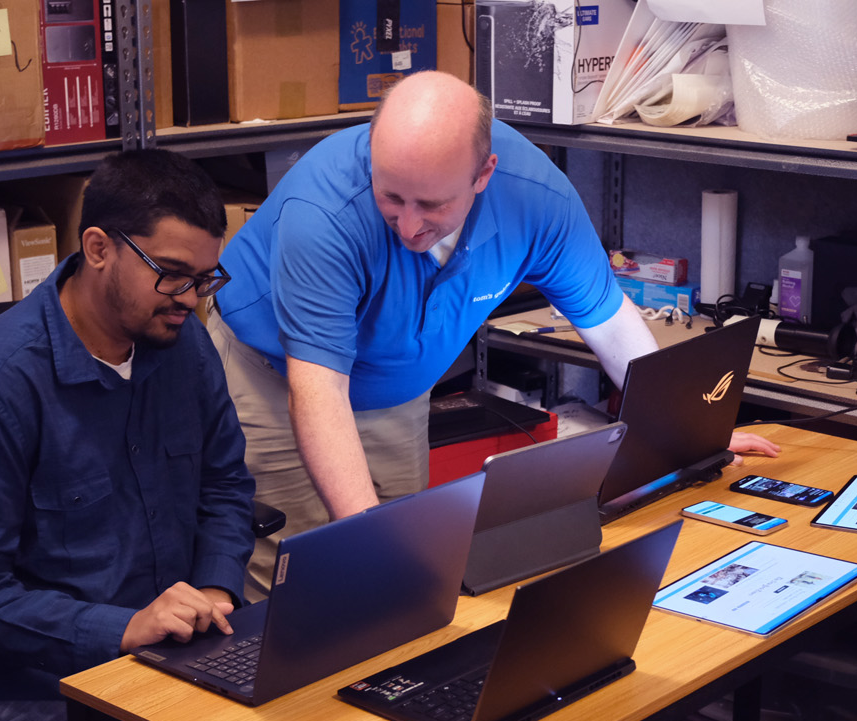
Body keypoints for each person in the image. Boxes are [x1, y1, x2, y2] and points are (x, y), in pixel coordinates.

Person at [212, 71, 777, 599]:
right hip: (275, 379)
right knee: (300, 586)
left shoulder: (537, 199)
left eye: (432, 204)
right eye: (391, 197)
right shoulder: (325, 212)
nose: (408, 226)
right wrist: (369, 540)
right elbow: (317, 393)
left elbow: (609, 324)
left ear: (484, 174)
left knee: (403, 584)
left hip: (397, 390)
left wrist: (683, 436)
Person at [0, 150, 258, 721]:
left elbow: (226, 487)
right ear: (97, 248)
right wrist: (120, 630)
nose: (189, 299)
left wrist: (219, 587)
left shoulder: (182, 348)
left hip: (174, 650)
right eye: (171, 274)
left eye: (203, 278)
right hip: (26, 678)